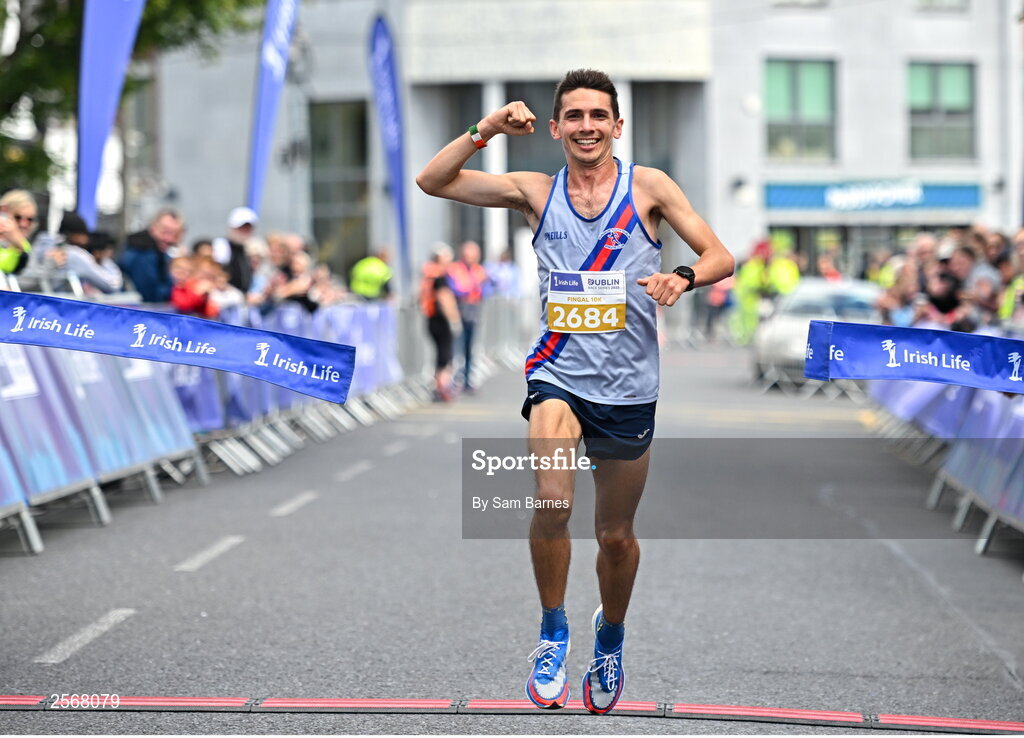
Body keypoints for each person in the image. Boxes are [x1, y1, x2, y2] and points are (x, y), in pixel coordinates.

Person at [416, 69, 734, 713]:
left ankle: (609, 637)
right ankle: (553, 629)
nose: (587, 126)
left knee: (615, 535)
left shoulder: (649, 187)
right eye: (575, 116)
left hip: (629, 384)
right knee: (553, 500)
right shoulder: (535, 191)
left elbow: (719, 255)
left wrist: (682, 275)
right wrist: (485, 130)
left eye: (599, 115)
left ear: (617, 126)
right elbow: (434, 180)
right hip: (557, 374)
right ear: (556, 127)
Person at [420, 243, 461, 402]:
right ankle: (442, 387)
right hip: (441, 320)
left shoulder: (428, 275)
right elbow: (444, 299)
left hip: (431, 318)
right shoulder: (439, 277)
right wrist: (454, 319)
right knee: (445, 355)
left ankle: (439, 386)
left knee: (440, 354)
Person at [447, 240, 490, 392]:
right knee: (455, 345)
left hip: (473, 310)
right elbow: (455, 289)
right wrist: (471, 287)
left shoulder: (479, 270)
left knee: (469, 346)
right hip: (458, 309)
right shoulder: (454, 269)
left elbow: (485, 291)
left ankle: (467, 378)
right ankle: (452, 379)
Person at [119, 208, 185, 302]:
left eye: (175, 234)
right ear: (153, 228)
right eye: (164, 231)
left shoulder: (160, 254)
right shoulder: (142, 253)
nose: (168, 238)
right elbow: (151, 295)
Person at [212, 207, 256, 293]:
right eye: (241, 228)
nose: (245, 232)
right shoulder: (222, 246)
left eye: (248, 229)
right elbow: (218, 275)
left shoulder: (246, 249)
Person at [0, 189, 39, 275]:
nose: (24, 224)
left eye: (30, 219)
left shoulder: (23, 245)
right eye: (18, 217)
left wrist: (20, 244)